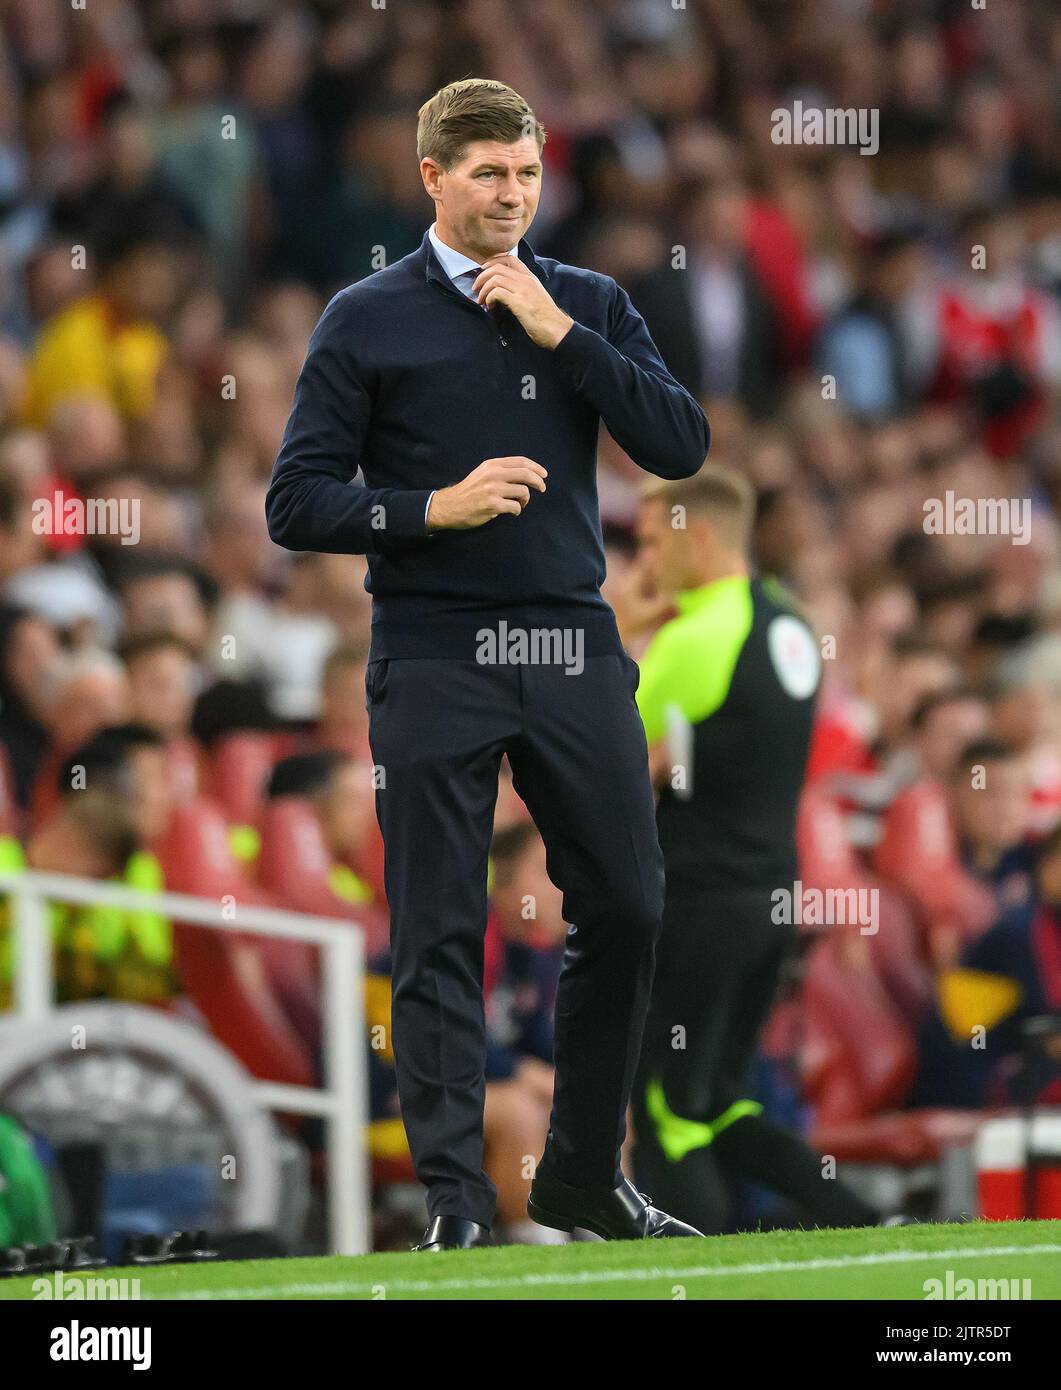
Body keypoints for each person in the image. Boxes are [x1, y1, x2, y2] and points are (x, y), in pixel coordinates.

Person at [267, 78, 710, 1250]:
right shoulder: (363, 316)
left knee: (627, 897)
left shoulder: (585, 299)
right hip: (433, 647)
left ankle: (578, 1178)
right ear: (431, 178)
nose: (511, 194)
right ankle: (458, 1204)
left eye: (524, 173)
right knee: (437, 924)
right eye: (486, 175)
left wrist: (565, 342)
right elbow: (294, 501)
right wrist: (429, 509)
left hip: (569, 637)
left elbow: (679, 441)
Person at [613, 464, 880, 1233]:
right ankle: (869, 1228)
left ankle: (706, 1274)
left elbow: (597, 757)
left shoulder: (698, 640)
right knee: (715, 1103)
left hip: (701, 904)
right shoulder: (785, 621)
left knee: (665, 1111)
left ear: (697, 537)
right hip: (767, 898)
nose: (644, 566)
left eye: (652, 545)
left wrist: (621, 630)